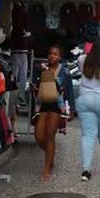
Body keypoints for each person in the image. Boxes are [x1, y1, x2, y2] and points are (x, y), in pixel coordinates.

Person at [76, 38, 100, 181]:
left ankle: (86, 170)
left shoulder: (82, 59)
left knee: (88, 135)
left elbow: (81, 69)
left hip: (85, 99)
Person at [33, 45, 74, 181]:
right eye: (50, 53)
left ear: (60, 57)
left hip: (57, 106)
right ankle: (50, 154)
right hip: (43, 105)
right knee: (39, 137)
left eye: (55, 54)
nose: (52, 56)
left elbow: (69, 91)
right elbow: (36, 85)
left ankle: (47, 168)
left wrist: (72, 109)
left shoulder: (65, 72)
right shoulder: (41, 69)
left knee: (50, 135)